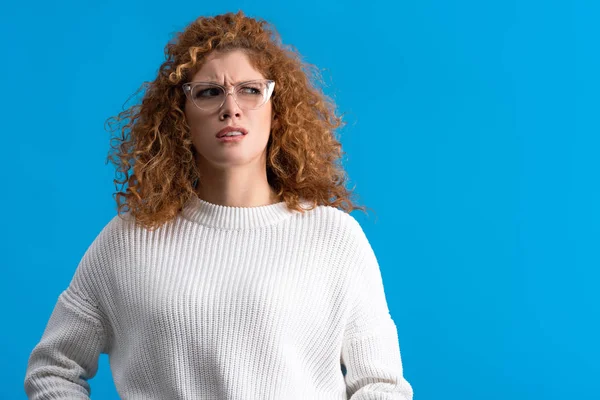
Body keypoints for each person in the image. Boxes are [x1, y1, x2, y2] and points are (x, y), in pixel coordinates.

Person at [24, 10, 414, 400]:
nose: (231, 107)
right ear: (180, 117)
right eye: (209, 92)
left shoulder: (334, 237)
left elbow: (380, 385)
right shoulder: (128, 241)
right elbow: (52, 370)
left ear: (277, 109)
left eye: (250, 89)